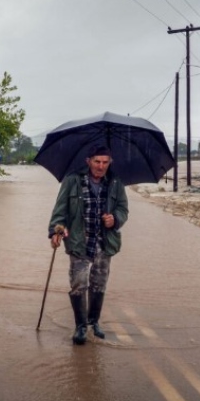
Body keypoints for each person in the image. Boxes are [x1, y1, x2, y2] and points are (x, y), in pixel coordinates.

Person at [47, 145, 129, 345]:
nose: (101, 166)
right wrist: (55, 231)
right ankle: (80, 327)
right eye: (97, 161)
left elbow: (123, 209)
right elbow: (60, 210)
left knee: (99, 284)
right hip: (79, 240)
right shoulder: (72, 180)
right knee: (78, 284)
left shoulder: (116, 182)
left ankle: (94, 323)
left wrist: (115, 219)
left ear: (110, 163)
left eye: (105, 162)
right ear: (88, 161)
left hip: (104, 241)